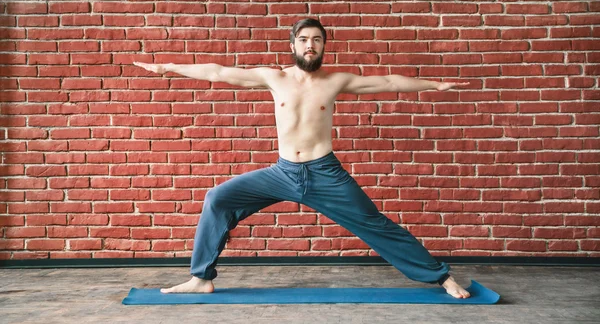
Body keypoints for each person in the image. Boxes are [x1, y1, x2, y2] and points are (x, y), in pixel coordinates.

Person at [134, 18, 471, 298]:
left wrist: (435, 85)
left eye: (317, 40)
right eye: (304, 39)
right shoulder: (273, 78)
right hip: (282, 172)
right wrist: (169, 68)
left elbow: (387, 81)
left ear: (324, 46)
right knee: (218, 199)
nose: (311, 45)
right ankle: (201, 278)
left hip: (325, 173)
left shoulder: (336, 80)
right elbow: (219, 72)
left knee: (375, 225)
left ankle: (441, 277)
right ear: (293, 45)